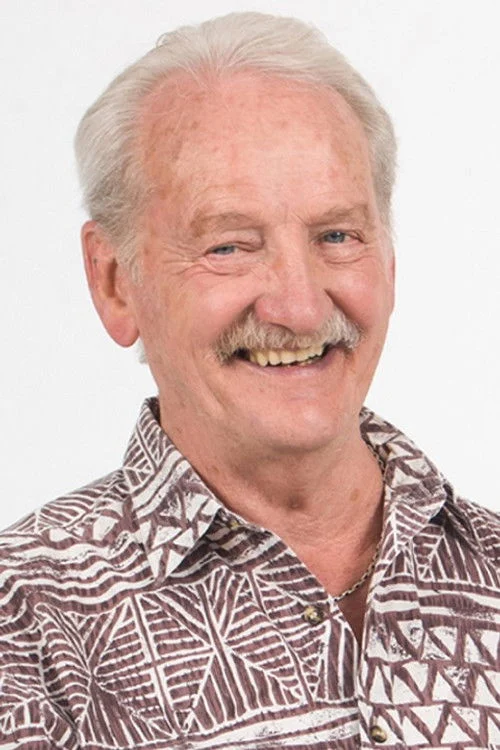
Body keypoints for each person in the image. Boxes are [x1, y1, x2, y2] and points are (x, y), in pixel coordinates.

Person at [0, 11, 498, 750]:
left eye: (337, 235)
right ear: (114, 282)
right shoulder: (25, 627)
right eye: (230, 246)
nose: (300, 308)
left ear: (389, 260)